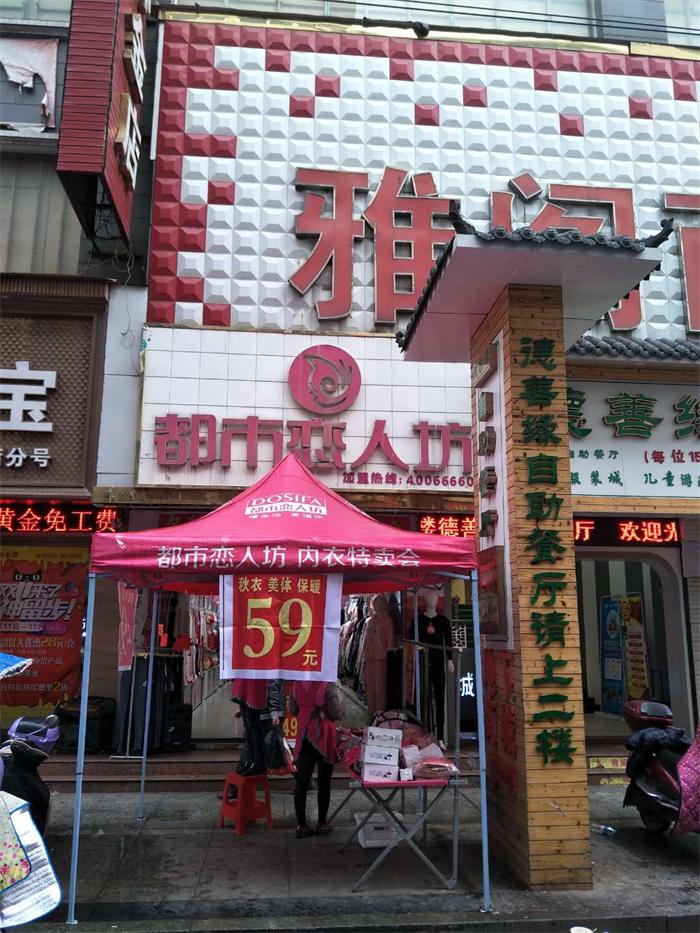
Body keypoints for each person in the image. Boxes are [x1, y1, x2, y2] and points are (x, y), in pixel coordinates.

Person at [290, 681, 339, 838]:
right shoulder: (327, 683)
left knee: (302, 782)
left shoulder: (296, 684)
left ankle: (301, 826)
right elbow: (336, 713)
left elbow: (293, 710)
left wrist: (306, 711)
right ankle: (322, 824)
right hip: (324, 736)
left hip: (304, 733)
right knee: (324, 781)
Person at [418, 587, 453, 746]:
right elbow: (413, 641)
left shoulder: (443, 621)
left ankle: (440, 737)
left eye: (435, 597)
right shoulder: (419, 620)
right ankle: (425, 733)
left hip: (439, 663)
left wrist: (450, 659)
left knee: (440, 699)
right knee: (423, 699)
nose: (432, 600)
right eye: (429, 597)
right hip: (423, 664)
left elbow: (449, 642)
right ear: (425, 600)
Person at [231, 678, 284, 776]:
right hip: (258, 705)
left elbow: (273, 685)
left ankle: (257, 763)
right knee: (251, 731)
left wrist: (274, 711)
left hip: (266, 710)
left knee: (268, 742)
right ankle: (253, 762)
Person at [360, 595, 395, 717]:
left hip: (381, 657)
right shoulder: (370, 620)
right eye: (373, 602)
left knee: (380, 687)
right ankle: (371, 711)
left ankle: (379, 714)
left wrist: (390, 657)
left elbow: (390, 642)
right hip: (370, 655)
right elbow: (365, 639)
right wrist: (363, 655)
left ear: (382, 604)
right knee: (370, 686)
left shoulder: (388, 620)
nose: (373, 604)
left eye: (376, 602)